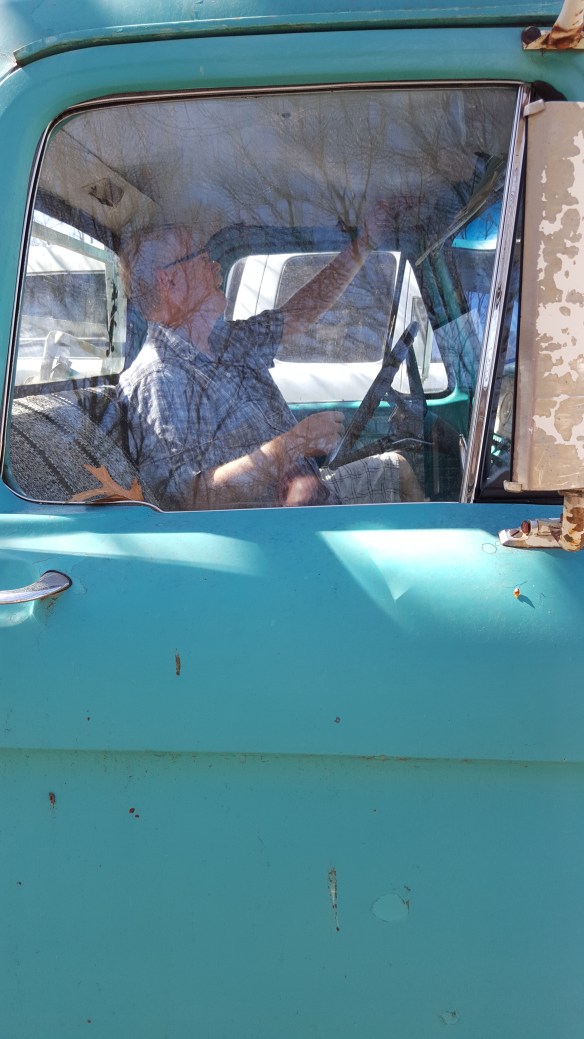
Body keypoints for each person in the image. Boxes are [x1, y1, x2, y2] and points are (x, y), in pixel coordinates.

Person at [118, 208, 422, 510]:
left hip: (308, 498)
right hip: (271, 531)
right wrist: (292, 445)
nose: (215, 266)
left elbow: (299, 314)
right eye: (200, 257)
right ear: (169, 281)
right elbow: (187, 499)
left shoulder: (227, 343)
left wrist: (364, 243)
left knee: (398, 470)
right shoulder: (158, 380)